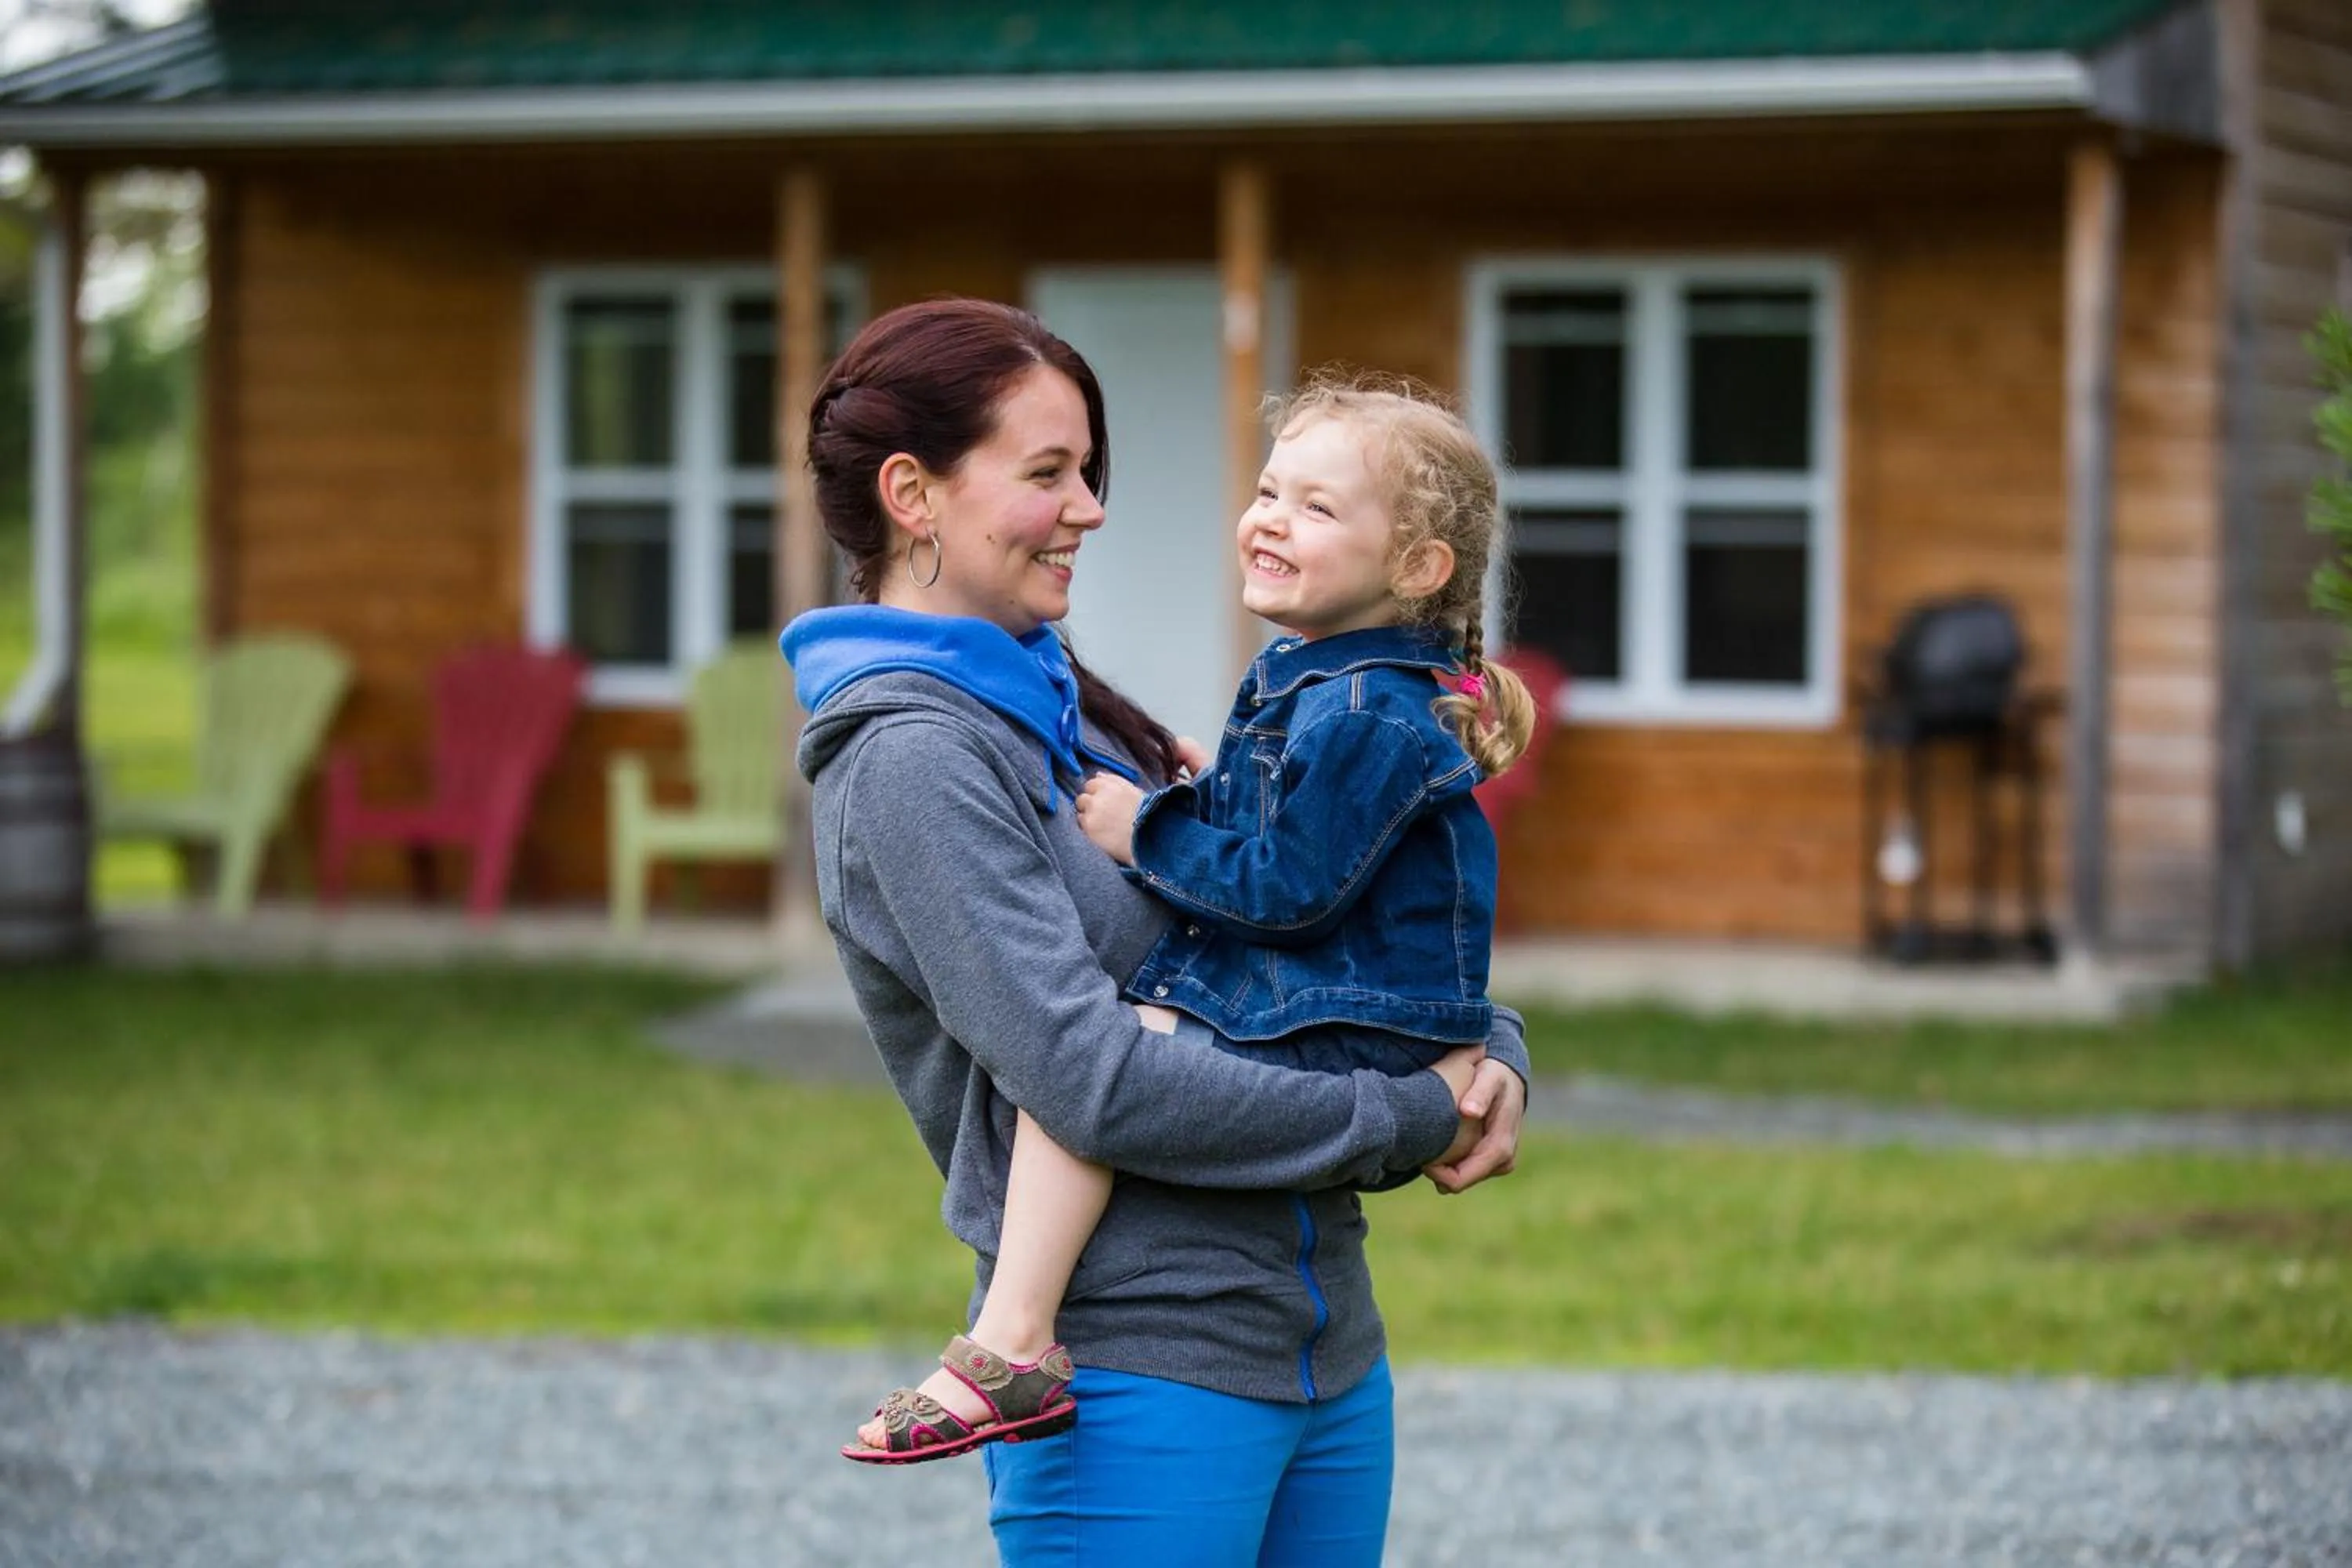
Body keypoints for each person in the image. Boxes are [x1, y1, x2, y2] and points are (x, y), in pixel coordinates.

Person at [780, 299, 1527, 1566]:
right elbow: (1096, 1082)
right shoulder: (915, 761)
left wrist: (1486, 1041)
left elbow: (1312, 903)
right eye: (1049, 473)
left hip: (1326, 1353)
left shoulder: (1068, 709)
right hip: (1141, 1376)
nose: (1092, 507)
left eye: (1091, 470)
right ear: (914, 494)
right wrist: (1409, 1113)